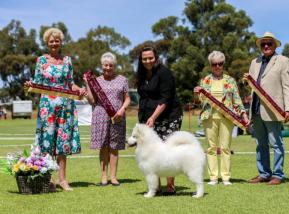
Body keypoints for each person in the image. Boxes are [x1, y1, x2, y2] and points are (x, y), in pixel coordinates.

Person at [25, 27, 86, 191]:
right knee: (47, 142)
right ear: (47, 43)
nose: (54, 43)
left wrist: (79, 89)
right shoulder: (41, 61)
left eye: (57, 40)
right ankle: (49, 180)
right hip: (47, 107)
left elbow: (70, 83)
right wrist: (31, 84)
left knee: (62, 143)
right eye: (51, 41)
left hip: (65, 107)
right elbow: (37, 81)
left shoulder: (67, 60)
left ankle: (63, 180)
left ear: (60, 42)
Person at [194, 51, 249, 186]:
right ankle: (213, 177)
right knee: (211, 148)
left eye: (220, 63)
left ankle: (225, 177)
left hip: (227, 117)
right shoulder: (205, 80)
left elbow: (237, 99)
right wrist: (195, 94)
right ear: (210, 65)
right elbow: (198, 101)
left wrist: (244, 114)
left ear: (223, 64)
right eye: (214, 64)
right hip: (209, 117)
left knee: (225, 148)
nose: (217, 66)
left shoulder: (230, 80)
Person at [246, 32, 289, 185]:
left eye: (269, 43)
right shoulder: (254, 62)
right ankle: (264, 173)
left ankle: (278, 175)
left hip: (274, 110)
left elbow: (287, 86)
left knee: (276, 143)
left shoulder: (283, 61)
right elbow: (253, 86)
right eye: (263, 44)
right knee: (260, 144)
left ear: (275, 45)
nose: (266, 46)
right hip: (256, 109)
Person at [135, 46, 183, 194]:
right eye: (144, 58)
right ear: (141, 60)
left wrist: (153, 117)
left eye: (150, 57)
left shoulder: (164, 73)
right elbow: (143, 97)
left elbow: (165, 98)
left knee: (168, 151)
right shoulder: (141, 75)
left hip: (168, 116)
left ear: (156, 58)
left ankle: (170, 185)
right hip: (149, 118)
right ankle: (156, 186)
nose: (147, 61)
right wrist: (143, 118)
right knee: (152, 152)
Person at [84, 52, 130, 186]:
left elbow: (127, 99)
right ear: (101, 66)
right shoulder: (96, 81)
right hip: (100, 116)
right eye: (105, 65)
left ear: (114, 66)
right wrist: (87, 84)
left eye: (111, 65)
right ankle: (104, 176)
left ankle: (114, 177)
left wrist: (122, 110)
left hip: (118, 117)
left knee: (114, 146)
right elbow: (92, 101)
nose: (108, 68)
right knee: (103, 146)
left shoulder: (122, 80)